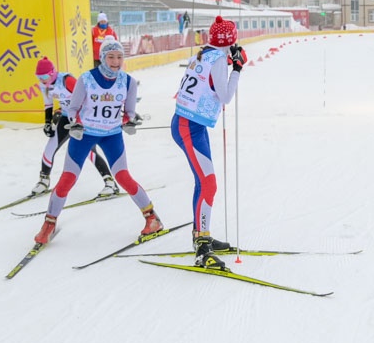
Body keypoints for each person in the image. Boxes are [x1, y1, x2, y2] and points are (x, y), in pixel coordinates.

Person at [33, 37, 162, 245]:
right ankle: (49, 223)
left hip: (112, 135)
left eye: (120, 57)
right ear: (102, 57)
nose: (116, 61)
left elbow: (129, 112)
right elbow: (73, 109)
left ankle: (152, 218)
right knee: (67, 179)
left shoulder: (128, 82)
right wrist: (74, 122)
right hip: (86, 135)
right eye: (111, 57)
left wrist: (130, 121)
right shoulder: (86, 79)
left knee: (123, 177)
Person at [171, 16, 246, 270]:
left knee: (203, 182)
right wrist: (237, 68)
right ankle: (202, 249)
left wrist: (229, 59)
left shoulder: (204, 53)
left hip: (191, 123)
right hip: (189, 126)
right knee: (209, 184)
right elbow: (225, 96)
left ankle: (201, 235)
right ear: (231, 40)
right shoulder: (218, 62)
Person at [32, 56, 118, 197]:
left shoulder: (66, 81)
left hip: (83, 117)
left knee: (89, 151)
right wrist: (48, 122)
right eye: (39, 76)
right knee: (50, 146)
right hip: (67, 117)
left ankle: (110, 183)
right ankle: (43, 181)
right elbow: (48, 104)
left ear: (52, 73)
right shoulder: (44, 85)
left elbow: (87, 97)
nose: (42, 79)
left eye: (45, 76)